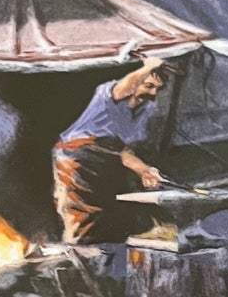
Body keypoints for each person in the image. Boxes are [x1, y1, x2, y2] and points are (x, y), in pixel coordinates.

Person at [52, 57, 169, 243]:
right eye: (149, 86)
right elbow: (124, 88)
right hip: (76, 158)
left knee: (108, 215)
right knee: (80, 215)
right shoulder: (109, 94)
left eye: (158, 89)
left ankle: (100, 252)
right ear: (136, 80)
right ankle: (78, 249)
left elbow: (125, 152)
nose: (153, 93)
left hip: (107, 162)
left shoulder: (146, 111)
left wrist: (145, 170)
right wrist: (150, 65)